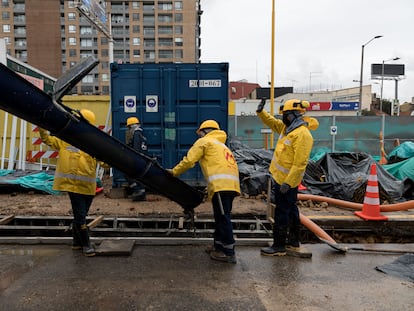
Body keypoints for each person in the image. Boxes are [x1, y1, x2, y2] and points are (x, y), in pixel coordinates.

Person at [168, 120, 240, 264]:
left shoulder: (205, 142)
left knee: (223, 218)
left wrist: (173, 172)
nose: (199, 136)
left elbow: (189, 161)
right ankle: (218, 246)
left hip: (221, 185)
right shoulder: (222, 145)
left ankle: (228, 252)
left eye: (200, 133)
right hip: (230, 185)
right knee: (221, 217)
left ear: (206, 131)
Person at [256, 98, 319, 257]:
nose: (282, 117)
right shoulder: (288, 129)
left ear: (292, 115)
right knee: (290, 210)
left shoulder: (302, 134)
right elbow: (273, 123)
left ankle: (279, 246)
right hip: (280, 179)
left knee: (282, 212)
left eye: (284, 114)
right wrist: (261, 112)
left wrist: (288, 183)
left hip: (287, 182)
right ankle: (292, 242)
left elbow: (300, 164)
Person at [39, 109, 104, 257]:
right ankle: (87, 246)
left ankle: (76, 243)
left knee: (81, 215)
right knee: (80, 216)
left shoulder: (93, 144)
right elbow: (48, 140)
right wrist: (41, 126)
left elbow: (105, 162)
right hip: (72, 186)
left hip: (88, 187)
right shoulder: (65, 139)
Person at [125, 116, 148, 201]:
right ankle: (140, 192)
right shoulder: (141, 133)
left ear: (131, 126)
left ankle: (138, 192)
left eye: (128, 127)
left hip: (138, 159)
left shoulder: (136, 134)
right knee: (139, 176)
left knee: (128, 173)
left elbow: (136, 148)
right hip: (143, 159)